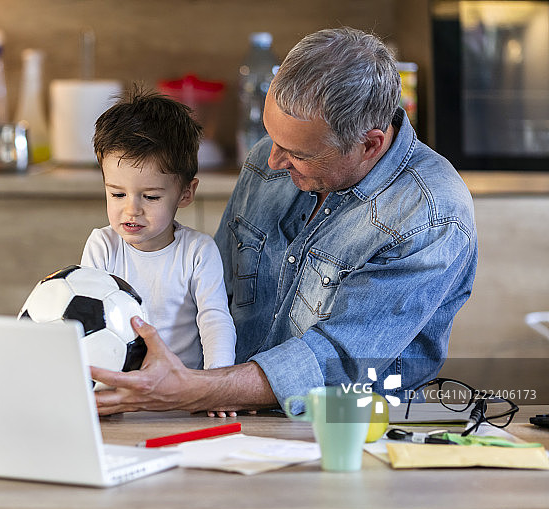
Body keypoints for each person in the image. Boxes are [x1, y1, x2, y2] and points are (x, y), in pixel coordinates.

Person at [91, 27, 478, 416]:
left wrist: (200, 389)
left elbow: (338, 359)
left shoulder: (430, 216)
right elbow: (215, 293)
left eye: (297, 152)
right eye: (271, 138)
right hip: (227, 412)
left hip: (350, 426)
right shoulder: (269, 159)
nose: (272, 161)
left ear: (369, 144)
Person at [81, 88, 237, 409]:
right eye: (117, 194)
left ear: (185, 193)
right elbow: (88, 323)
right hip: (118, 396)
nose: (131, 210)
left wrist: (214, 386)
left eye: (150, 197)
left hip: (181, 398)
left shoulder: (198, 252)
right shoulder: (103, 246)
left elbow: (215, 321)